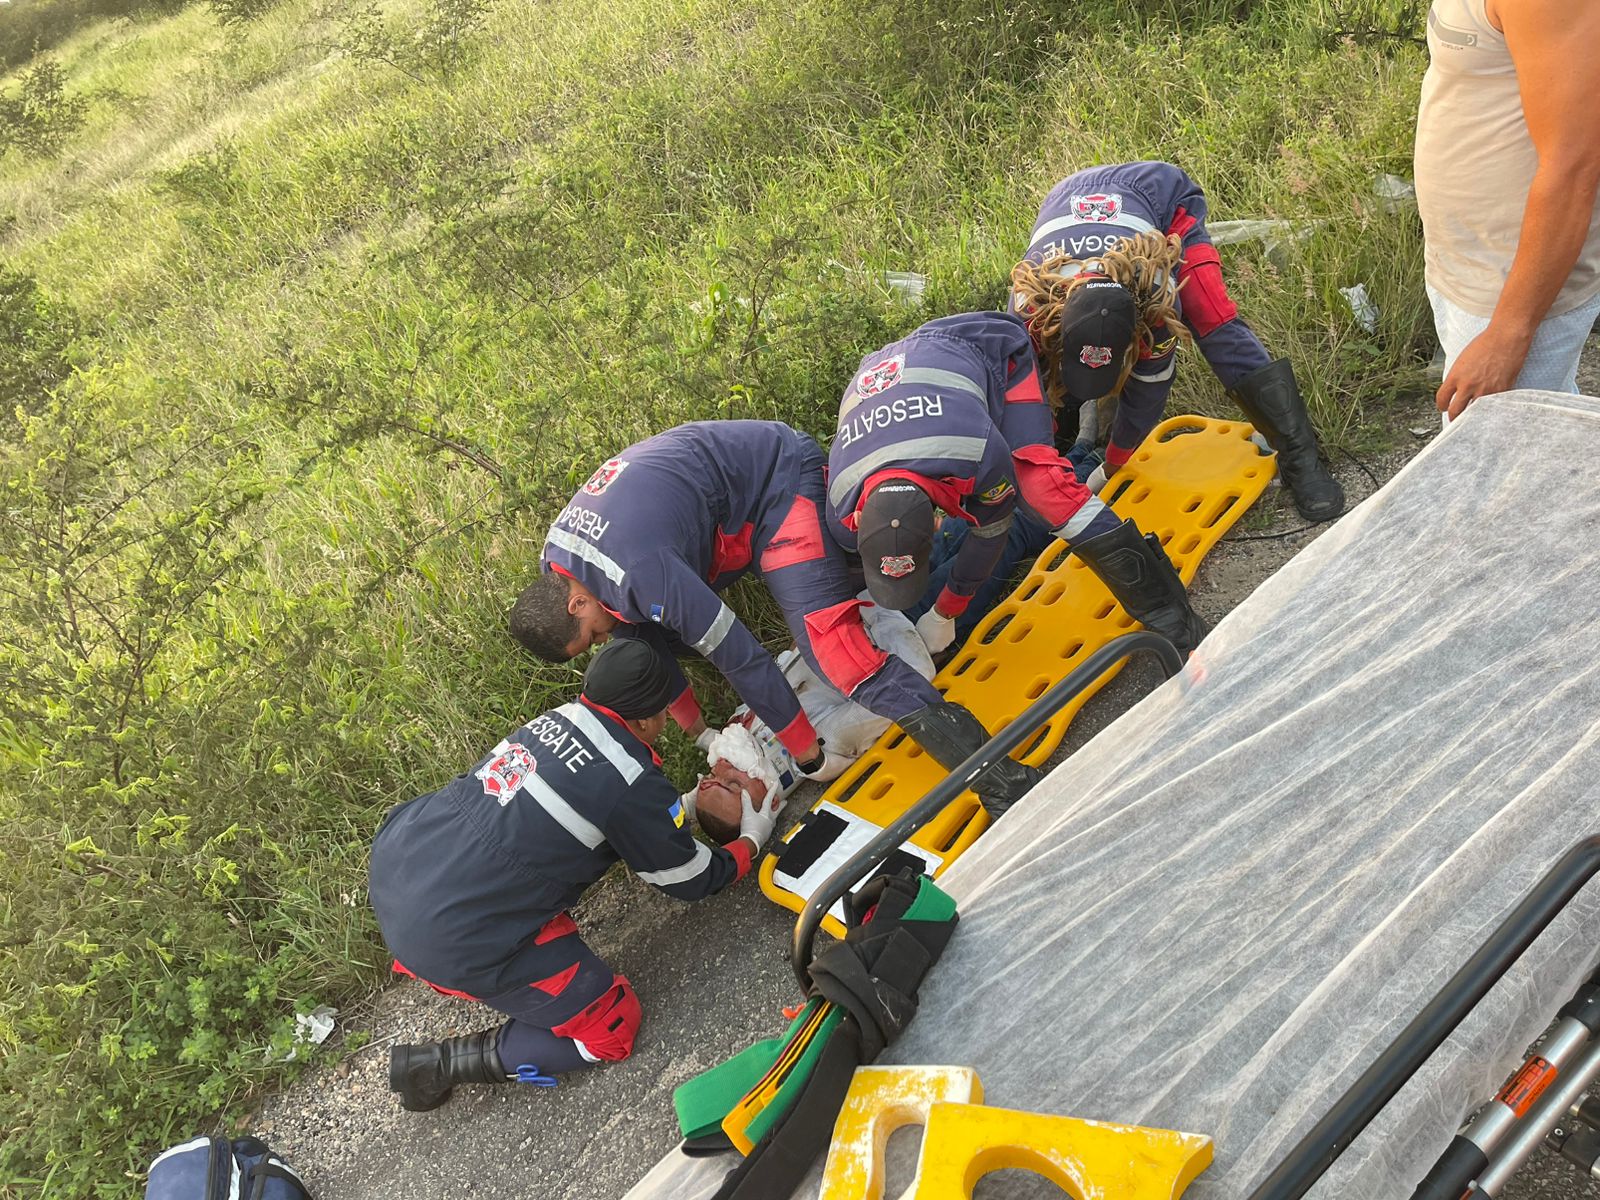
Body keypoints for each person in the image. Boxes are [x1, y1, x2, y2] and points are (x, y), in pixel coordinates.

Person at [510, 420, 1040, 819]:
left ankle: (998, 776)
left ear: (575, 604)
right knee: (874, 586)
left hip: (774, 483)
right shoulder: (560, 566)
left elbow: (741, 657)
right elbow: (640, 641)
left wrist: (808, 757)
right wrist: (700, 734)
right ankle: (1011, 518)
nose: (602, 641)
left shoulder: (639, 570)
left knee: (831, 647)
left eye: (591, 637)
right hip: (731, 507)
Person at [368, 639, 783, 1111]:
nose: (666, 722)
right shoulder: (630, 779)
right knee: (612, 1028)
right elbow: (689, 879)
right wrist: (751, 840)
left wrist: (671, 813)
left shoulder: (560, 717)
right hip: (449, 937)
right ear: (644, 721)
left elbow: (586, 810)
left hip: (403, 861)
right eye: (664, 713)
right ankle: (436, 1064)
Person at [825, 310, 1208, 661]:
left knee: (1041, 489)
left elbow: (992, 533)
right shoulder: (839, 504)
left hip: (989, 349)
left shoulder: (974, 449)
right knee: (978, 523)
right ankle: (1084, 446)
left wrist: (946, 612)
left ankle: (1178, 623)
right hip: (895, 373)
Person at [1011, 160, 1344, 522]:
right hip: (1067, 196)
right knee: (1031, 381)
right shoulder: (1028, 307)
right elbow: (1021, 399)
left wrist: (1114, 462)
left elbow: (1148, 391)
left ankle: (1301, 457)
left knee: (1211, 317)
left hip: (1158, 195)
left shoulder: (1157, 299)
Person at [1416, 0, 1600, 421]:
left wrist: (1508, 333)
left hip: (1512, 282)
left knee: (1503, 447)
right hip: (1467, 266)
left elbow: (1573, 168)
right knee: (1543, 425)